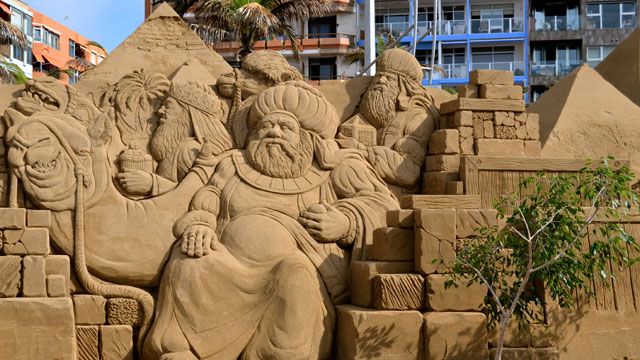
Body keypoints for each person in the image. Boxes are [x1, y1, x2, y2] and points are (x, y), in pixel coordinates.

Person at [143, 82, 398, 360]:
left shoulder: (335, 168)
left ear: (307, 137)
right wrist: (201, 225)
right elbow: (207, 198)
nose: (273, 132)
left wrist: (346, 222)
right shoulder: (232, 164)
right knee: (188, 258)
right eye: (266, 126)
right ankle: (186, 350)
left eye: (285, 127)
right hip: (226, 267)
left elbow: (383, 206)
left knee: (296, 272)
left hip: (289, 272)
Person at [341, 48, 440, 198]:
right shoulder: (378, 111)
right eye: (379, 77)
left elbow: (409, 171)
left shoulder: (418, 118)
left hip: (395, 194)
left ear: (404, 88)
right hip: (367, 182)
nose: (380, 81)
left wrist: (363, 151)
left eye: (389, 78)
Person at [117, 80, 232, 197]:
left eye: (169, 106)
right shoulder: (178, 148)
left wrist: (152, 183)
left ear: (187, 115)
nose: (160, 111)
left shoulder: (191, 151)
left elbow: (194, 192)